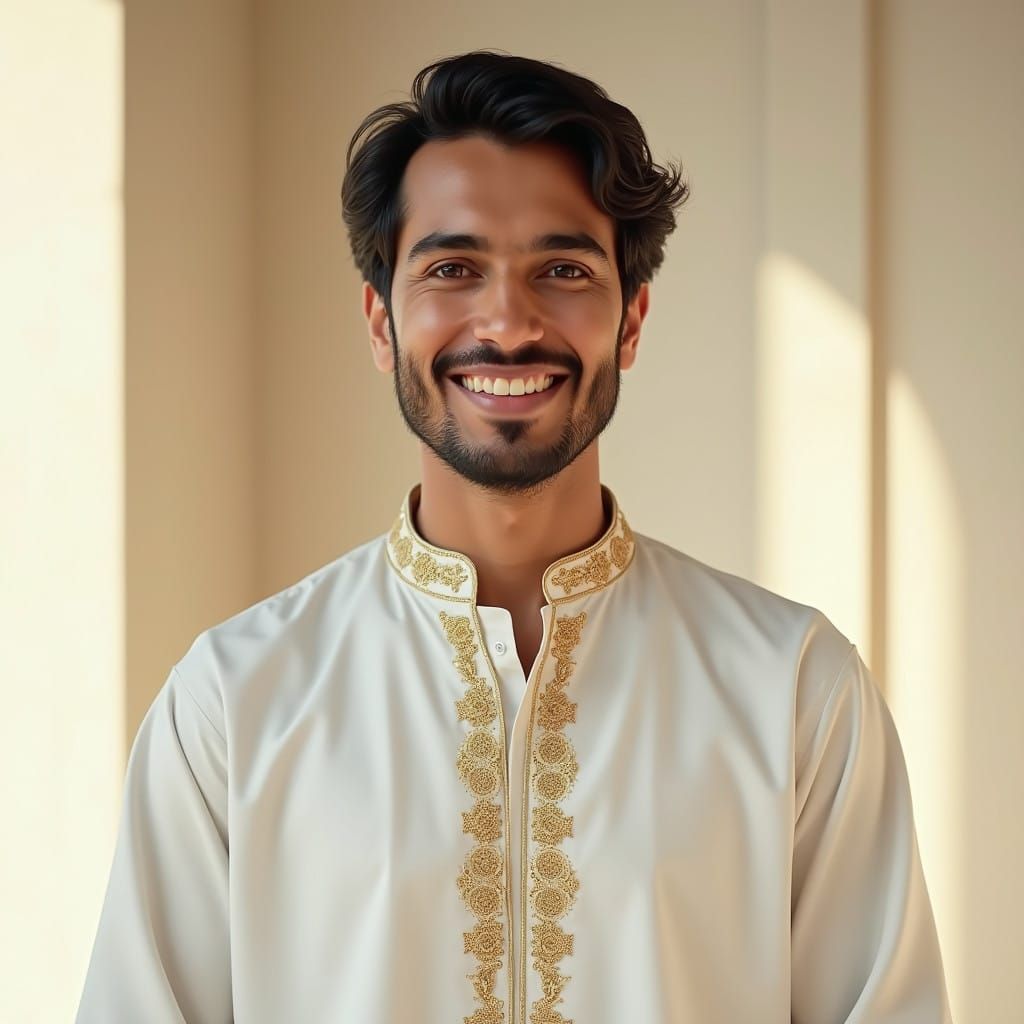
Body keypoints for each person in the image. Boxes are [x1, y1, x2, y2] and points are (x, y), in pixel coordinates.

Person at [76, 50, 952, 1023]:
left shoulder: (791, 688)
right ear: (379, 322)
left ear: (630, 321)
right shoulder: (236, 701)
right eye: (453, 267)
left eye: (563, 268)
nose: (507, 318)